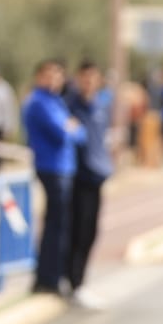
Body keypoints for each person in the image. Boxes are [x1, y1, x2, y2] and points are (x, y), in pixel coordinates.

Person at [21, 59, 83, 297]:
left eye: (58, 75)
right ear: (39, 76)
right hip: (51, 168)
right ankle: (47, 278)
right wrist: (70, 128)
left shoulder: (57, 101)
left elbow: (79, 133)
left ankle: (53, 275)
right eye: (49, 75)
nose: (54, 80)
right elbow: (62, 133)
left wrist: (71, 128)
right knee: (56, 226)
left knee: (60, 225)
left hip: (65, 168)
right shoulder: (38, 102)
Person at [65, 60, 113, 304]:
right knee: (77, 229)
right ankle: (73, 282)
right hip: (77, 175)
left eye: (92, 77)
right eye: (84, 77)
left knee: (91, 230)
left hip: (97, 175)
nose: (88, 82)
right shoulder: (71, 104)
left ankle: (80, 280)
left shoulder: (101, 105)